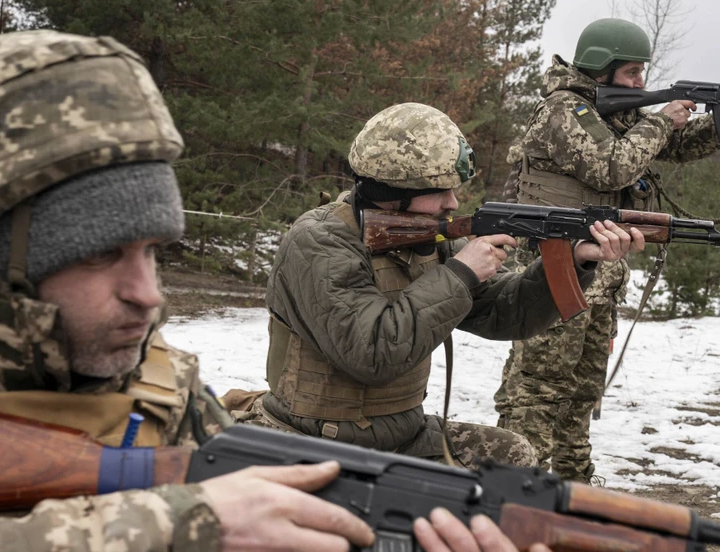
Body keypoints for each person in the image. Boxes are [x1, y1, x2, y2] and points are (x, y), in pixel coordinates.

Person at [0, 31, 525, 552]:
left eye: (157, 252)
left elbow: (269, 502)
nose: (148, 296)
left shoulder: (157, 378)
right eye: (101, 256)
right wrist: (175, 525)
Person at [234, 102, 645, 469]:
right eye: (440, 191)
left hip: (404, 436)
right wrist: (461, 274)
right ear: (394, 194)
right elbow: (371, 352)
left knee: (513, 459)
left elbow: (506, 313)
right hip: (315, 438)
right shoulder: (320, 241)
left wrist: (573, 261)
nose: (452, 202)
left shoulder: (428, 236)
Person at [492, 18, 720, 484]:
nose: (641, 83)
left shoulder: (612, 114)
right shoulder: (564, 110)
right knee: (539, 388)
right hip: (552, 270)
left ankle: (572, 483)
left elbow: (673, 146)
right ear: (600, 70)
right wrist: (665, 116)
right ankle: (513, 487)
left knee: (583, 390)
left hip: (600, 275)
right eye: (632, 74)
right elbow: (611, 166)